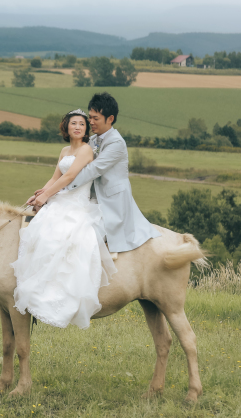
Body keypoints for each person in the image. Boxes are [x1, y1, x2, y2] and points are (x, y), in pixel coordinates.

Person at [11, 109, 116, 329]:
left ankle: (63, 296)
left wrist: (48, 196)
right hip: (59, 200)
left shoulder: (87, 150)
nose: (78, 127)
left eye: (82, 124)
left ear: (86, 129)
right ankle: (39, 290)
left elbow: (70, 176)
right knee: (38, 235)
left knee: (62, 237)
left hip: (76, 204)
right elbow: (55, 177)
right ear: (66, 127)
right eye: (74, 123)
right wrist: (40, 194)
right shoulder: (64, 150)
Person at [68, 92, 161, 253]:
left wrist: (63, 188)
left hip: (112, 203)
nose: (90, 122)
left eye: (95, 118)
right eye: (90, 117)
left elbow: (93, 170)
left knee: (85, 238)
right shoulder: (92, 140)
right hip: (92, 198)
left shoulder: (116, 143)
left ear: (110, 119)